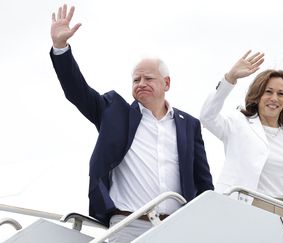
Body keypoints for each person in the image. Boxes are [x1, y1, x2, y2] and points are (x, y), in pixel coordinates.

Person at [50, 4, 213, 242]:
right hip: (127, 225)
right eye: (136, 79)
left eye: (149, 78)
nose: (141, 83)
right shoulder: (114, 112)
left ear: (166, 83)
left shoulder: (189, 124)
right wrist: (60, 48)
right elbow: (77, 91)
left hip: (177, 228)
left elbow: (203, 181)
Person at [200, 51, 283, 218]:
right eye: (268, 92)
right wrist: (229, 78)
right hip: (247, 209)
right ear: (257, 96)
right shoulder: (238, 124)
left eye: (280, 93)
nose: (274, 98)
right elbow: (207, 116)